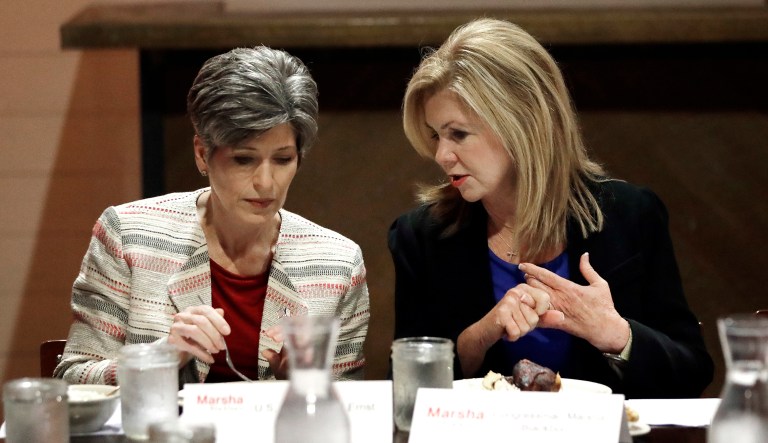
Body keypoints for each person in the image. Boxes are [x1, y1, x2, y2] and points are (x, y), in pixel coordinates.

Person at [388, 18, 713, 398]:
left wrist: (615, 334)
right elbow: (406, 391)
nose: (442, 154)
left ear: (521, 123)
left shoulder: (631, 217)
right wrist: (480, 336)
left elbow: (692, 374)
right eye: (435, 135)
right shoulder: (421, 237)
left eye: (458, 133)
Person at [55, 46, 370, 385]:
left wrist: (307, 378)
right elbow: (73, 380)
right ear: (203, 155)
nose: (266, 183)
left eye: (282, 160)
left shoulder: (338, 264)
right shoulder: (128, 236)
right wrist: (159, 358)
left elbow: (352, 406)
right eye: (243, 159)